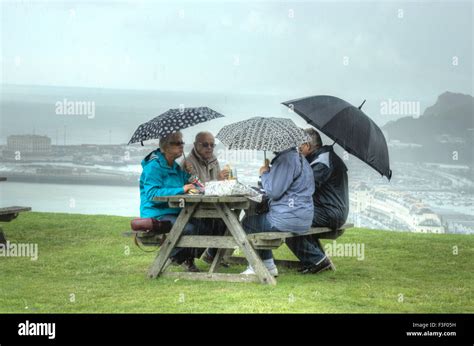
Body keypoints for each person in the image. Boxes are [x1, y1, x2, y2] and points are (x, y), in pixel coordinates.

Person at [240, 147, 315, 276]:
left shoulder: (286, 159)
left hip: (287, 219)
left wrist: (264, 173)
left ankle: (257, 266)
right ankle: (268, 265)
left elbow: (274, 192)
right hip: (304, 218)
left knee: (248, 222)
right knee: (258, 220)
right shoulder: (300, 158)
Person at [288, 128, 349, 274]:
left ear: (308, 146)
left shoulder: (322, 162)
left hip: (330, 212)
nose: (297, 150)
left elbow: (304, 188)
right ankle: (316, 260)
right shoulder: (320, 158)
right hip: (327, 210)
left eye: (299, 147)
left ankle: (318, 261)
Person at [139, 131, 203, 272]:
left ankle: (184, 257)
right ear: (165, 147)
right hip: (157, 213)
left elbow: (193, 186)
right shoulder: (153, 167)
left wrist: (190, 174)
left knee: (206, 224)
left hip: (176, 211)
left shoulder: (175, 167)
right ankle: (173, 256)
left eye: (182, 142)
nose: (181, 146)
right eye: (176, 143)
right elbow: (152, 194)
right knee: (189, 228)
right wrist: (180, 189)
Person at [182, 131, 229, 264]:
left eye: (212, 145)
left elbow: (217, 186)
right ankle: (187, 259)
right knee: (205, 225)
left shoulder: (213, 159)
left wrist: (222, 180)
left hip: (211, 204)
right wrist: (217, 179)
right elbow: (196, 187)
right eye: (205, 144)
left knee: (228, 220)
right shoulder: (188, 163)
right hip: (193, 206)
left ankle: (212, 255)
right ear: (196, 145)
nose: (209, 148)